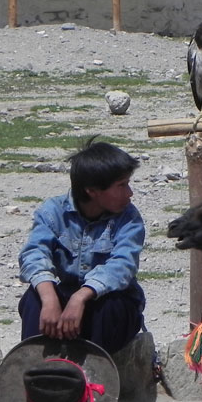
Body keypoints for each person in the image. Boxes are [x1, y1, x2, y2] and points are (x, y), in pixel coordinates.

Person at [18, 140, 145, 355]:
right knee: (33, 299)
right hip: (64, 300)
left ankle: (91, 378)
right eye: (122, 185)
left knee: (109, 308)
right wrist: (50, 298)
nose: (129, 193)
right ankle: (37, 372)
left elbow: (123, 265)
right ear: (92, 191)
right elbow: (34, 254)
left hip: (106, 304)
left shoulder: (128, 218)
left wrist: (81, 297)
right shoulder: (52, 212)